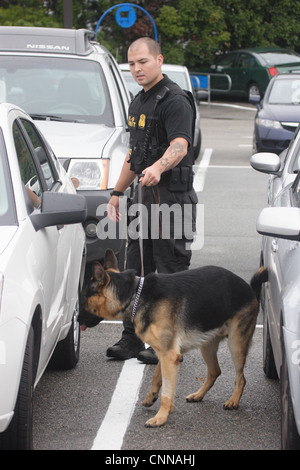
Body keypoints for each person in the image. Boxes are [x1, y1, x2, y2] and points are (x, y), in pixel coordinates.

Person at [106, 37, 197, 363]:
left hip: (172, 198)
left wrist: (159, 167)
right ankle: (132, 338)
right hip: (142, 199)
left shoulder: (175, 100)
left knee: (170, 273)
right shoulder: (138, 102)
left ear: (159, 60)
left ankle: (167, 344)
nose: (137, 68)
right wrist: (117, 193)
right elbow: (135, 155)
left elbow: (180, 145)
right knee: (135, 270)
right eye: (131, 63)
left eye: (142, 61)